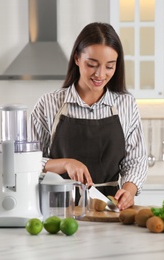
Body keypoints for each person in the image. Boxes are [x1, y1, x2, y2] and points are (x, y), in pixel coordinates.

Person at [30, 22, 148, 210]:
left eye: (110, 66)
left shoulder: (126, 104)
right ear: (77, 58)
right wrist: (65, 164)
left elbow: (136, 160)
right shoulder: (48, 104)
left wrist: (129, 190)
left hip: (109, 210)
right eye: (92, 65)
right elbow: (29, 161)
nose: (100, 74)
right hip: (58, 211)